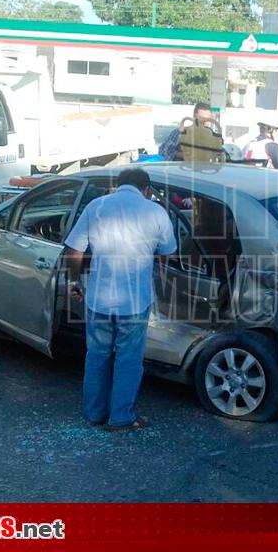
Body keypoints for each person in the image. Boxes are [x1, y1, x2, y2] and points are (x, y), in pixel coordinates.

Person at [64, 168, 176, 432]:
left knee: (97, 356)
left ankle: (94, 413)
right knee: (128, 360)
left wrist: (74, 281)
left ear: (118, 185)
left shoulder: (96, 206)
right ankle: (121, 418)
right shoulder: (155, 212)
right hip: (135, 301)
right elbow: (168, 253)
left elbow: (74, 249)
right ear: (146, 189)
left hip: (98, 299)